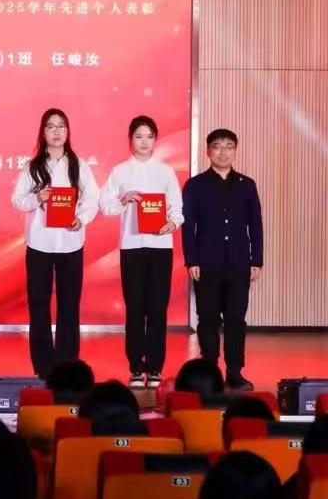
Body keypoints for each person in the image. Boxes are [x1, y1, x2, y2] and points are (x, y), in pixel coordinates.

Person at [11, 109, 99, 380]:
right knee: (39, 306)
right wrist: (37, 198)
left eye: (61, 126)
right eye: (51, 126)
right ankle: (42, 366)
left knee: (69, 306)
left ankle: (67, 366)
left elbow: (92, 199)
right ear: (43, 132)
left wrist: (80, 219)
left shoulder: (79, 166)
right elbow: (17, 200)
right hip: (39, 244)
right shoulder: (32, 167)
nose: (57, 131)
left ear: (67, 131)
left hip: (70, 244)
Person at [100, 116, 184, 389]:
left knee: (158, 309)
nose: (144, 142)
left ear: (155, 140)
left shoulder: (166, 172)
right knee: (135, 308)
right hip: (132, 247)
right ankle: (136, 367)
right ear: (130, 140)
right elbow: (105, 206)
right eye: (139, 136)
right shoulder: (120, 172)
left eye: (149, 137)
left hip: (160, 247)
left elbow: (177, 208)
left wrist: (173, 223)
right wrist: (122, 201)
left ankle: (155, 367)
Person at [182, 128, 263, 391]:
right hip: (206, 262)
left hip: (239, 263)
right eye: (217, 146)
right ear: (208, 151)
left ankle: (235, 371)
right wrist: (191, 260)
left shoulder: (247, 185)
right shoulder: (195, 185)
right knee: (207, 317)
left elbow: (255, 224)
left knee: (236, 319)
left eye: (229, 146)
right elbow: (188, 226)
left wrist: (256, 260)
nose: (223, 152)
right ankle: (209, 371)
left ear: (235, 151)